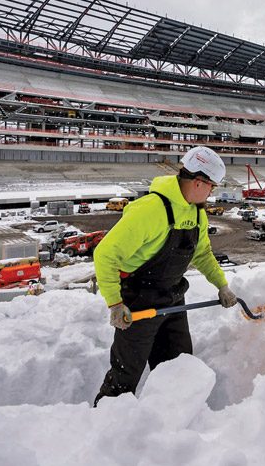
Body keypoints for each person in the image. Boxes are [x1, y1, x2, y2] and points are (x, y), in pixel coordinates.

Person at [92, 146, 237, 406]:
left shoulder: (196, 213)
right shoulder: (150, 209)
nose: (211, 193)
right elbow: (105, 254)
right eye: (211, 187)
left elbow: (202, 254)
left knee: (178, 366)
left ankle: (170, 419)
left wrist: (222, 285)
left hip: (172, 298)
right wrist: (115, 303)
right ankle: (105, 421)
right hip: (138, 302)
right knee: (125, 375)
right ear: (199, 182)